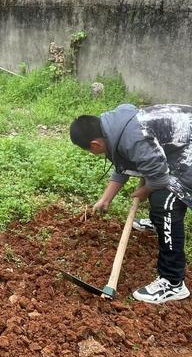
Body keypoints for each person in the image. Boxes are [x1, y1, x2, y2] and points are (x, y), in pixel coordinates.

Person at [70, 103, 192, 304]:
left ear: (94, 145)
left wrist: (144, 190)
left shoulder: (133, 137)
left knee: (165, 200)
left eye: (89, 151)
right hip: (180, 146)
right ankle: (158, 225)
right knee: (158, 191)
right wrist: (106, 199)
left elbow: (159, 178)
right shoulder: (115, 127)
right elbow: (125, 161)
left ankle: (173, 282)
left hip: (187, 153)